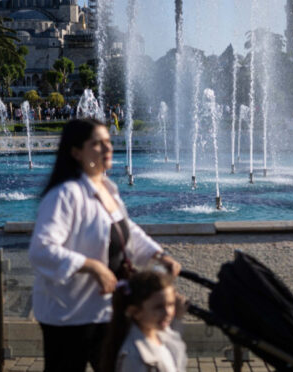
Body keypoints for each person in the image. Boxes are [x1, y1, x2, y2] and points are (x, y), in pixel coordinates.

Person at [29, 118, 180, 372]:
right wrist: (93, 267)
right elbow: (41, 249)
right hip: (68, 316)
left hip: (106, 311)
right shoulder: (65, 195)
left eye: (108, 142)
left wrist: (158, 254)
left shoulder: (107, 188)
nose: (107, 148)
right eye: (97, 144)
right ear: (76, 152)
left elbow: (126, 229)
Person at [101, 270, 188, 372]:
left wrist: (177, 318)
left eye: (171, 304)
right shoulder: (134, 358)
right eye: (158, 307)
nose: (168, 312)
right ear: (135, 312)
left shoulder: (159, 335)